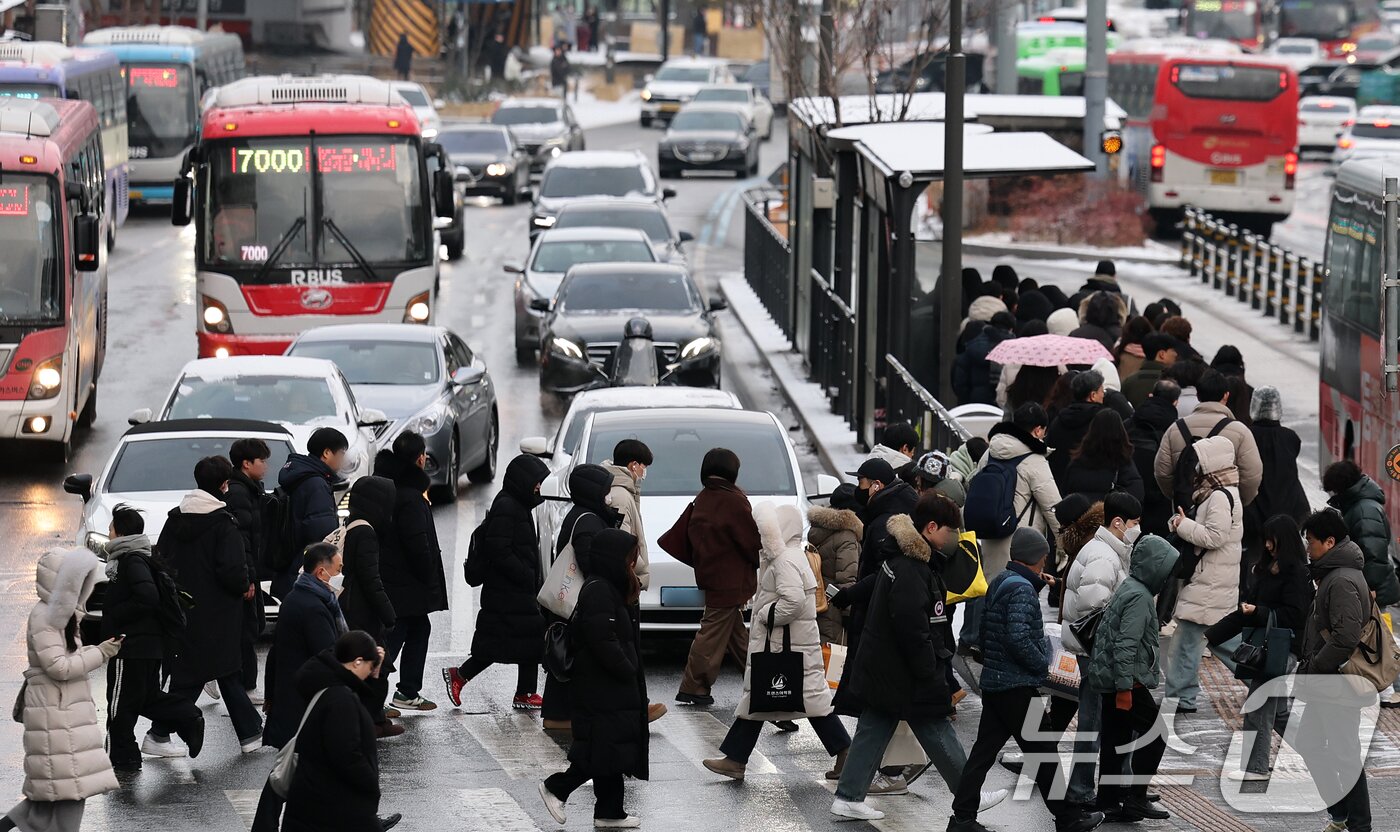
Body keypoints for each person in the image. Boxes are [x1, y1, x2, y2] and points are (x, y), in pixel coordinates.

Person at [829, 494, 1007, 822]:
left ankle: (849, 796)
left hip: (888, 666)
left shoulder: (908, 559)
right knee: (934, 726)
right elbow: (913, 627)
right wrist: (929, 671)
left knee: (875, 727)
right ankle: (969, 794)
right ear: (931, 528)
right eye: (951, 531)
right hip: (902, 669)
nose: (954, 538)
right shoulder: (911, 567)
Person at [948, 528, 1104, 832]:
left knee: (982, 755)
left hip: (996, 682)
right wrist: (1042, 665)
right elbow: (1019, 639)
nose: (1046, 561)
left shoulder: (1003, 582)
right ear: (1035, 557)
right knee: (1045, 755)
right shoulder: (1021, 590)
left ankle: (962, 818)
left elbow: (986, 632)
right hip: (1016, 686)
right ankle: (1069, 819)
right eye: (1043, 556)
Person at [702, 503, 851, 780]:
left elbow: (792, 601)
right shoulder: (795, 555)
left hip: (785, 645)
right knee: (785, 701)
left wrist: (765, 614)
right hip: (794, 645)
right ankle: (736, 759)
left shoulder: (783, 560)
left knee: (775, 698)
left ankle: (736, 760)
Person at [150, 456, 263, 754]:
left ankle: (250, 733)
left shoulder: (175, 519)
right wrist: (244, 585)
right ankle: (159, 731)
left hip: (183, 608)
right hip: (219, 612)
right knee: (212, 670)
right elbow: (232, 571)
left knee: (213, 670)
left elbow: (160, 559)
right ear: (224, 485)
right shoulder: (224, 523)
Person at [538, 529, 649, 828]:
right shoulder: (599, 590)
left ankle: (610, 812)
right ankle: (556, 787)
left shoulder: (607, 586)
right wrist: (627, 668)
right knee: (599, 749)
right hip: (602, 685)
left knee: (610, 749)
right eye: (629, 560)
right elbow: (602, 638)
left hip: (606, 684)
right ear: (614, 559)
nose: (632, 565)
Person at [6, 549, 122, 832]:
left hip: (63, 713)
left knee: (51, 795)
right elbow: (58, 666)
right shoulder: (45, 617)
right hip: (56, 715)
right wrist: (101, 653)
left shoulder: (62, 615)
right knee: (70, 789)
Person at [1204, 514, 1313, 779]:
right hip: (1270, 648)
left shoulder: (1297, 573)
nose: (1266, 545)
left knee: (1258, 708)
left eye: (1271, 540)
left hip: (1283, 649)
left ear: (1282, 540)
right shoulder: (1265, 570)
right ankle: (1320, 752)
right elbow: (1246, 612)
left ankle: (1256, 768)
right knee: (1278, 715)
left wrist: (1260, 612)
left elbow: (1296, 615)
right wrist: (1212, 635)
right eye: (1265, 540)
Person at [1082, 534, 1178, 823]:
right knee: (1156, 735)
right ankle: (1135, 798)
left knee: (1116, 737)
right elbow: (1126, 644)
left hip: (1113, 679)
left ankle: (1109, 801)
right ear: (1155, 567)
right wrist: (1125, 687)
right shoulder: (1140, 596)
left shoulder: (1130, 587)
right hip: (1127, 681)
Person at [100, 506, 204, 770]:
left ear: (120, 532)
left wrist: (117, 614)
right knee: (145, 699)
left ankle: (120, 756)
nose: (108, 534)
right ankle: (187, 717)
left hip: (131, 645)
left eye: (111, 528)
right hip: (148, 645)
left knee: (120, 705)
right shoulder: (140, 556)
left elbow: (147, 597)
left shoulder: (130, 560)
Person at [443, 454, 551, 710]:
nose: (539, 488)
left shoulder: (519, 504)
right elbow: (497, 548)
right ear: (523, 481)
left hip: (514, 590)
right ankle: (460, 675)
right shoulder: (508, 506)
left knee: (526, 639)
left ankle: (524, 692)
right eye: (536, 483)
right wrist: (524, 573)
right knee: (496, 644)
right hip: (507, 591)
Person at [661, 448, 762, 707]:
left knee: (737, 636)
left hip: (712, 574)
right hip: (730, 580)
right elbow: (750, 542)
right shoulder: (733, 500)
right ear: (733, 471)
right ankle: (693, 686)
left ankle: (760, 683)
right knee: (712, 631)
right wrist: (765, 559)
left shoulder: (706, 497)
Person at [1058, 491, 1141, 806]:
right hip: (1097, 652)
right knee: (1094, 724)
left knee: (1106, 723)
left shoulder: (1109, 550)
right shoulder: (1103, 555)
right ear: (1118, 522)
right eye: (1134, 523)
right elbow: (1094, 605)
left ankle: (1113, 787)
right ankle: (1082, 791)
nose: (1137, 528)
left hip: (1098, 651)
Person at [1296, 508, 1374, 832]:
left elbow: (1345, 636)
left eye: (1311, 542)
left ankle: (1358, 824)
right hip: (1329, 681)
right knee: (1310, 741)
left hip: (1338, 681)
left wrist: (1314, 666)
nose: (1307, 548)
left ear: (1329, 542)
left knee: (1344, 753)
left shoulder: (1341, 579)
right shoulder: (1334, 573)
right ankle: (1341, 813)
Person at [966, 403, 1063, 655]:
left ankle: (985, 646)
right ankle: (1012, 654)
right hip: (1023, 544)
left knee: (994, 595)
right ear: (1038, 430)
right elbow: (1054, 508)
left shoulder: (991, 452)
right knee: (1018, 602)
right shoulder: (1034, 460)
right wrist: (1065, 548)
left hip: (992, 536)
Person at [1163, 436, 1243, 714]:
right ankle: (1265, 677)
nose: (1195, 468)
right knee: (1222, 640)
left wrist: (1183, 525)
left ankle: (1181, 698)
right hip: (1215, 579)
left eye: (1200, 462)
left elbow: (1214, 536)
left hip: (1210, 581)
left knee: (1186, 642)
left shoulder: (1220, 496)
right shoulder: (1222, 492)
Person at [542, 464, 623, 730]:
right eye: (606, 491)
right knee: (581, 657)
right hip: (582, 602)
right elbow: (591, 561)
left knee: (570, 658)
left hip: (578, 602)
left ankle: (561, 714)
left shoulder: (584, 515)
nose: (609, 497)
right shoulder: (588, 520)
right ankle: (567, 715)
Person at [281, 631, 388, 832]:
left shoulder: (328, 683)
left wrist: (375, 674)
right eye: (369, 665)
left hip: (317, 800)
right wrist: (370, 784)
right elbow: (346, 754)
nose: (370, 671)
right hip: (334, 804)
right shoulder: (340, 700)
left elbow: (368, 708)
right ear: (357, 662)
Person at [375, 431, 447, 713]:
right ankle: (373, 689)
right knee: (395, 634)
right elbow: (418, 542)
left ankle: (407, 691)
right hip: (407, 581)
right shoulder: (411, 497)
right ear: (421, 458)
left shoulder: (388, 488)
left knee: (417, 627)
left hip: (393, 577)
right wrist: (428, 574)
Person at [1322, 458, 1400, 707]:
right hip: (1369, 586)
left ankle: (1393, 688)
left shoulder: (1363, 509)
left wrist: (1371, 588)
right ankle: (1387, 687)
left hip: (1374, 588)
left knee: (1381, 640)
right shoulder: (1359, 504)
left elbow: (1374, 553)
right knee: (1378, 638)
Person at [263, 543, 352, 748]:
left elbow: (275, 652)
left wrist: (271, 694)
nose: (340, 574)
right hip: (303, 707)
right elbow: (327, 656)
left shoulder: (297, 597)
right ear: (321, 572)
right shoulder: (314, 608)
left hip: (289, 701)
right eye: (338, 569)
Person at [335, 476, 398, 730]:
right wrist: (388, 613)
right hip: (361, 610)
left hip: (350, 606)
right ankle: (373, 720)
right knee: (377, 665)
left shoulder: (352, 525)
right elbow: (371, 578)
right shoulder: (366, 533)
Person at [1154, 368, 1263, 507]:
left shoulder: (1175, 429)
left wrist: (1180, 497)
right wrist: (1238, 502)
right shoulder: (1240, 431)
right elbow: (1252, 475)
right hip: (1225, 510)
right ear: (1226, 396)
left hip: (1186, 513)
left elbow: (1162, 473)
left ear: (1198, 396)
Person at [1242, 386, 1311, 573]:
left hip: (1254, 510)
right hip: (1287, 508)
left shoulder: (1247, 436)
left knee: (1254, 565)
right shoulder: (1290, 438)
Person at [275, 427, 347, 599]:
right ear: (327, 453)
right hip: (307, 568)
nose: (343, 460)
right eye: (342, 454)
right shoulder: (316, 484)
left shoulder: (301, 477)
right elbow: (322, 534)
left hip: (291, 565)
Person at [226, 437, 270, 696]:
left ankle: (243, 683)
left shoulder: (251, 488)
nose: (265, 466)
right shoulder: (239, 492)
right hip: (245, 572)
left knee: (252, 627)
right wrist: (248, 578)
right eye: (261, 461)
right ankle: (246, 685)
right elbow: (242, 540)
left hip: (250, 570)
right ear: (246, 463)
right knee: (248, 629)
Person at [808, 484, 863, 644]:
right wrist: (848, 614)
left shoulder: (818, 530)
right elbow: (847, 578)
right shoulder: (847, 536)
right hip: (836, 608)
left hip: (819, 600)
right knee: (834, 658)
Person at [1057, 409, 1144, 504]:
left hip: (1080, 515)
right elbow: (1136, 495)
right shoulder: (1123, 464)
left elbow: (1064, 493)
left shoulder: (1076, 463)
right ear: (1121, 432)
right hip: (1109, 516)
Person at [604, 440, 652, 595]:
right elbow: (623, 545)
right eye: (644, 468)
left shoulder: (625, 492)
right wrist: (642, 571)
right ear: (634, 465)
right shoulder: (621, 497)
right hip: (625, 580)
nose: (644, 473)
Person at [1046, 370, 1106, 479]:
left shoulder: (1058, 420)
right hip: (1093, 483)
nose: (1103, 394)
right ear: (1093, 395)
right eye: (1102, 391)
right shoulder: (1102, 420)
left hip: (1060, 484)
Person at [953, 311, 1016, 405]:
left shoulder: (972, 346)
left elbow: (960, 383)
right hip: (1002, 405)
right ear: (1011, 329)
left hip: (975, 404)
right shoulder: (1015, 350)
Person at [1120, 333, 1179, 408]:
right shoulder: (1172, 382)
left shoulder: (1129, 381)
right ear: (1162, 354)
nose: (1176, 354)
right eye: (1173, 351)